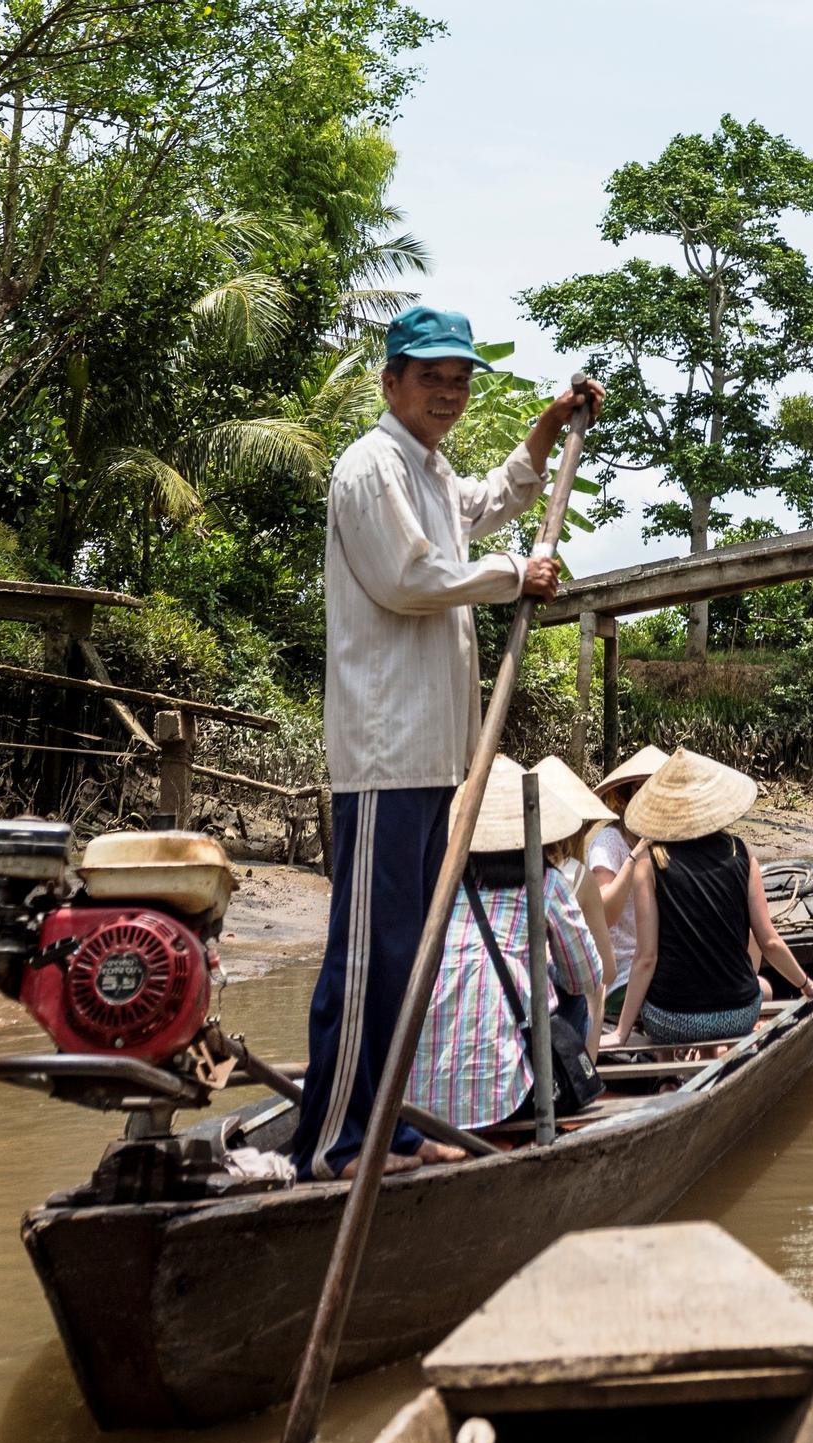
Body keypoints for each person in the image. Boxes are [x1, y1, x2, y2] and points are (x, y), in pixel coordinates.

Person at [291, 305, 603, 1180]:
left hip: (437, 755)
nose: (448, 392)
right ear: (391, 381)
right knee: (368, 955)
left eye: (460, 379)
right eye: (430, 377)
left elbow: (489, 504)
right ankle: (334, 1145)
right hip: (387, 754)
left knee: (410, 953)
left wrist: (544, 432)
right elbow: (409, 578)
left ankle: (383, 1129)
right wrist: (515, 577)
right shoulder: (370, 467)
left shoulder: (427, 470)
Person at [406, 756, 607, 1139]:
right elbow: (587, 978)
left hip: (417, 1100)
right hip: (502, 1098)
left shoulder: (436, 885)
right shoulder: (546, 883)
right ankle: (563, 1104)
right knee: (570, 991)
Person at [608, 749, 813, 1048]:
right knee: (762, 988)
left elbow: (646, 958)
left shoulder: (650, 862)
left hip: (671, 1021)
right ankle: (715, 1053)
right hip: (739, 1013)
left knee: (656, 1005)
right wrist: (809, 986)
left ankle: (666, 1074)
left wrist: (620, 1033)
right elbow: (768, 941)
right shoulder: (740, 853)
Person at [535, 756, 617, 1049]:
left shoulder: (487, 875)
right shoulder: (573, 875)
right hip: (548, 1017)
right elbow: (605, 969)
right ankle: (585, 1078)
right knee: (596, 988)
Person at [586, 743, 670, 1029]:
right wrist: (635, 858)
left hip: (660, 965)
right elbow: (605, 912)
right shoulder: (610, 843)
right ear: (627, 796)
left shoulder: (669, 842)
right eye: (642, 790)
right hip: (623, 976)